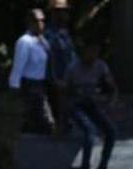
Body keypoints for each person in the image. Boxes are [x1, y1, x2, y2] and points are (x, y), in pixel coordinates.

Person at [65, 43, 118, 169]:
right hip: (77, 105)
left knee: (111, 132)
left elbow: (111, 87)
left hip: (94, 105)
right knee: (90, 133)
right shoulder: (73, 68)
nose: (91, 56)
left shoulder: (100, 66)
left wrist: (109, 101)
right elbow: (64, 93)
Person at [8, 9, 55, 134]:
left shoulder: (42, 41)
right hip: (29, 85)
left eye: (42, 21)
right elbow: (18, 66)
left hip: (41, 84)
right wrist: (14, 86)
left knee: (36, 122)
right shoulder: (24, 41)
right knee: (45, 121)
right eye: (36, 21)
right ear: (29, 22)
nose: (40, 24)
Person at [44, 0, 77, 133]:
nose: (63, 15)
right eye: (59, 12)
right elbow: (49, 60)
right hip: (55, 83)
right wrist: (55, 80)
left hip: (67, 81)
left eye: (64, 12)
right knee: (57, 116)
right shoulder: (49, 35)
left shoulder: (65, 34)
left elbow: (72, 57)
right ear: (53, 14)